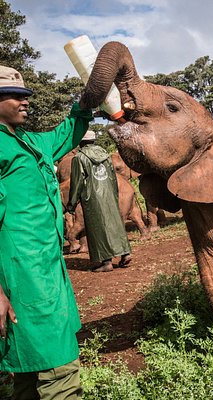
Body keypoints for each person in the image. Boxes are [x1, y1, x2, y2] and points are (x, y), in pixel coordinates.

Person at [0, 65, 93, 399]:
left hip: (47, 265)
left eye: (25, 96)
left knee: (28, 369)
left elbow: (67, 130)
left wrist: (88, 99)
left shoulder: (28, 140)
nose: (24, 102)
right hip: (20, 273)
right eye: (13, 96)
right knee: (59, 365)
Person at [66, 132, 132, 272]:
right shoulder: (105, 154)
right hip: (109, 194)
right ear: (94, 140)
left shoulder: (79, 158)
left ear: (80, 142)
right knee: (115, 223)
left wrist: (71, 203)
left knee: (97, 228)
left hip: (92, 197)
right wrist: (113, 194)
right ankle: (125, 253)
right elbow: (113, 177)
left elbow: (77, 182)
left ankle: (106, 262)